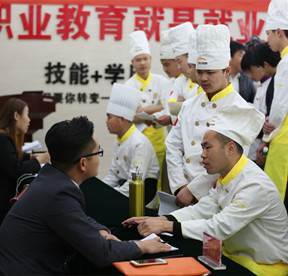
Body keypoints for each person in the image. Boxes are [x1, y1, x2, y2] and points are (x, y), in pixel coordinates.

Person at [123, 105, 288, 276]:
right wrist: (162, 219)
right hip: (233, 256)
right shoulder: (228, 176)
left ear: (231, 148)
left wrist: (165, 225)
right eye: (202, 148)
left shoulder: (254, 185)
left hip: (263, 267)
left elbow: (218, 227)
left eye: (207, 148)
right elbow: (202, 210)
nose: (202, 154)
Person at [0, 116, 171, 275]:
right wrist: (142, 246)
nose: (99, 157)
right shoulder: (59, 194)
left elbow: (78, 218)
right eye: (98, 152)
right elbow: (103, 253)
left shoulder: (50, 177)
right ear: (83, 163)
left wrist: (101, 230)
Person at [166, 24, 251, 207]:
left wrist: (194, 190)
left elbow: (232, 161)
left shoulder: (239, 108)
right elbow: (172, 144)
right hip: (184, 193)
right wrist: (181, 185)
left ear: (226, 72)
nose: (204, 78)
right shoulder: (189, 106)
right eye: (200, 72)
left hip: (220, 195)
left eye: (210, 72)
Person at [125, 30, 167, 192]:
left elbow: (165, 107)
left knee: (158, 180)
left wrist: (143, 111)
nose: (142, 63)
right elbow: (128, 116)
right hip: (137, 138)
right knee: (138, 177)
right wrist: (153, 111)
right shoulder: (128, 85)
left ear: (150, 59)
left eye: (145, 58)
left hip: (158, 138)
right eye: (138, 59)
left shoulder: (161, 81)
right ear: (132, 62)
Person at [103, 83, 159, 205]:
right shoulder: (120, 140)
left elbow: (135, 182)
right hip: (124, 192)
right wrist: (100, 191)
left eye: (109, 117)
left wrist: (108, 196)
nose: (106, 122)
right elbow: (113, 174)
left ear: (121, 119)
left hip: (142, 199)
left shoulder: (139, 142)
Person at [257, 0, 288, 208]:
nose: (266, 40)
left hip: (283, 142)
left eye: (268, 33)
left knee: (279, 206)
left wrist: (267, 135)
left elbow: (280, 106)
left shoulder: (285, 62)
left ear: (279, 32)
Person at [0, 97, 50, 224]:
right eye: (27, 114)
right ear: (16, 115)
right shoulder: (3, 138)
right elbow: (16, 169)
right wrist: (40, 160)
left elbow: (11, 158)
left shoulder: (5, 138)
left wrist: (30, 157)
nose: (29, 120)